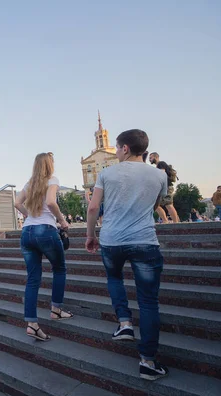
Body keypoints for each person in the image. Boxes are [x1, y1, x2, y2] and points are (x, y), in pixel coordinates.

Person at [86, 129, 169, 381]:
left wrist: (90, 235)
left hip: (111, 240)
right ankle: (148, 361)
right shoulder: (159, 174)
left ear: (123, 148)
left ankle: (123, 323)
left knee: (114, 278)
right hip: (144, 240)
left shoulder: (106, 173)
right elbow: (157, 204)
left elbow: (92, 207)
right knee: (148, 302)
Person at [14, 153, 71, 342]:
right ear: (49, 165)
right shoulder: (52, 180)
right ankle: (56, 310)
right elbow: (51, 202)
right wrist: (62, 221)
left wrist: (29, 215)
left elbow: (16, 202)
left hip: (27, 231)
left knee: (32, 279)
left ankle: (32, 324)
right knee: (59, 269)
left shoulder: (29, 183)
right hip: (45, 230)